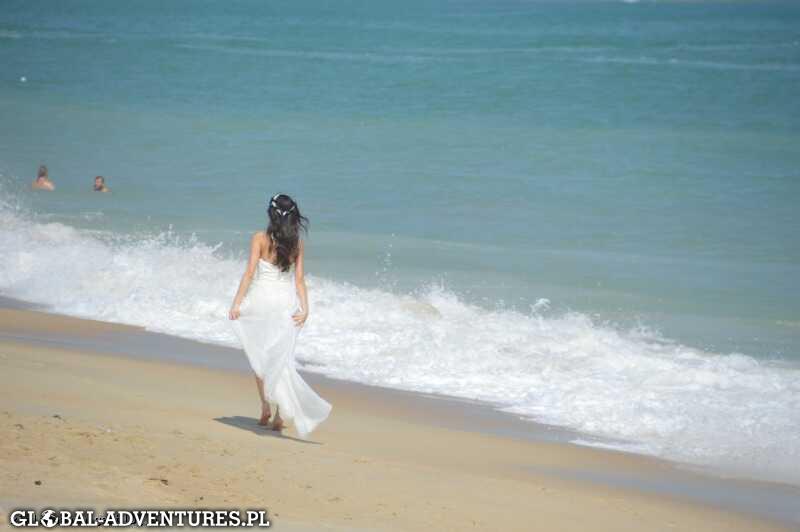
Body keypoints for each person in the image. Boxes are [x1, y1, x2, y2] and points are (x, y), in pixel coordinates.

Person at [228, 193, 331, 439]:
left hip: (260, 301)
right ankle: (278, 415)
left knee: (260, 356)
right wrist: (305, 308)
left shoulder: (260, 238)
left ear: (271, 213)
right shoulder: (297, 243)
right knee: (281, 357)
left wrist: (237, 303)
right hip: (285, 303)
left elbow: (249, 273)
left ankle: (265, 407)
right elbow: (299, 280)